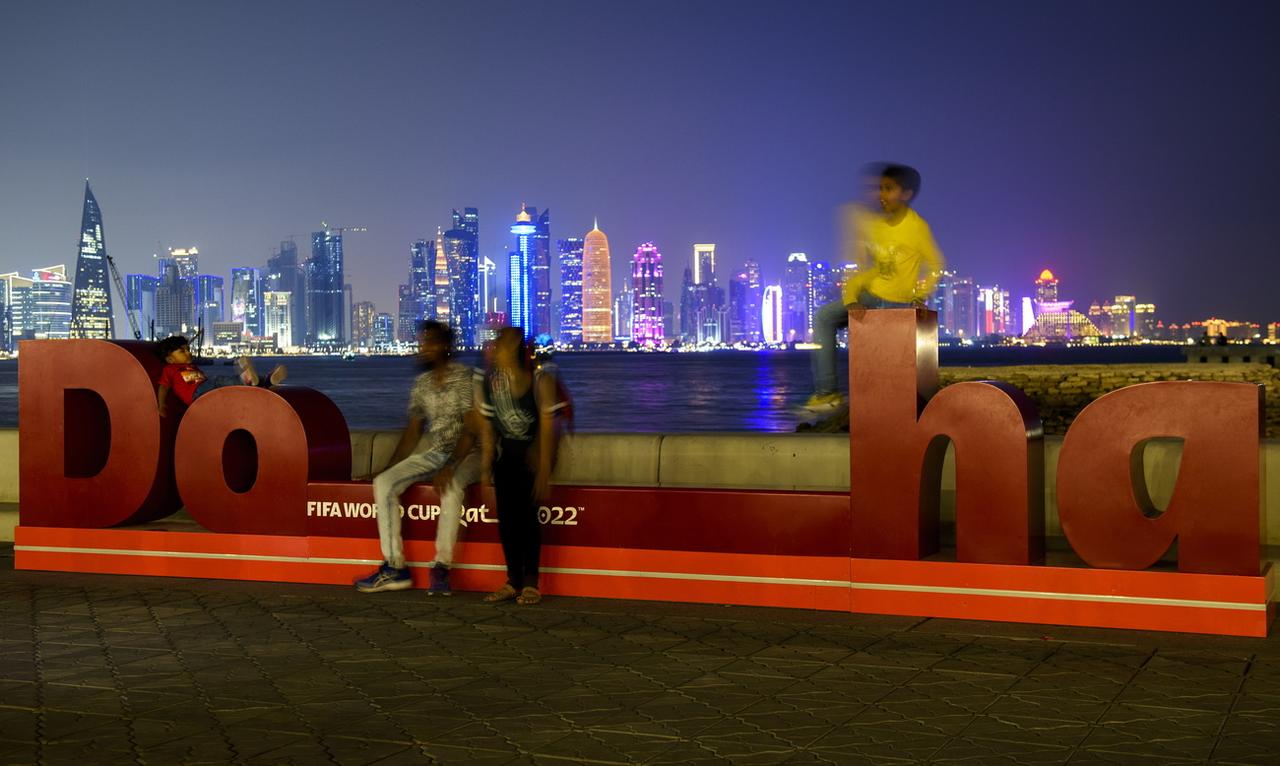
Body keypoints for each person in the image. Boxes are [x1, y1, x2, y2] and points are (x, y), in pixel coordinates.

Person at [803, 163, 945, 413]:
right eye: (880, 189)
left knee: (888, 373)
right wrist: (850, 299)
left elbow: (935, 264)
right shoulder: (877, 227)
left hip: (896, 302)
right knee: (823, 317)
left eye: (888, 189)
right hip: (871, 296)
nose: (881, 195)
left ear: (906, 194)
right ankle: (827, 394)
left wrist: (920, 295)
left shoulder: (917, 228)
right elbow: (869, 270)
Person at [354, 321, 482, 595]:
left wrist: (450, 466)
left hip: (470, 453)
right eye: (421, 342)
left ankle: (441, 567)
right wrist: (387, 468)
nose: (422, 348)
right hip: (438, 453)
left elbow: (472, 430)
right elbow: (413, 431)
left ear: (445, 347)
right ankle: (395, 567)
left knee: (452, 487)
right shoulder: (422, 384)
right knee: (385, 483)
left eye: (429, 342)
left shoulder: (464, 377)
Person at [473, 327, 560, 606]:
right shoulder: (491, 382)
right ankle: (513, 581)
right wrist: (486, 466)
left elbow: (548, 427)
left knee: (528, 520)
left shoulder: (540, 380)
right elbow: (488, 428)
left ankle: (531, 583)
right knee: (508, 522)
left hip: (531, 457)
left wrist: (545, 467)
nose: (494, 348)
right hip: (507, 456)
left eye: (501, 344)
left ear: (513, 349)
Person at [154, 336, 287, 418]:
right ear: (170, 359)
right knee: (218, 380)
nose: (188, 353)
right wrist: (161, 405)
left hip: (205, 389)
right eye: (182, 351)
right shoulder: (169, 369)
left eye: (188, 349)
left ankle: (266, 380)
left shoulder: (191, 367)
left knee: (225, 384)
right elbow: (163, 387)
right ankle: (246, 379)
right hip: (197, 395)